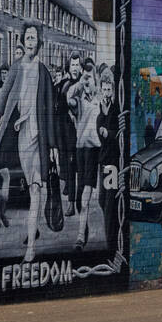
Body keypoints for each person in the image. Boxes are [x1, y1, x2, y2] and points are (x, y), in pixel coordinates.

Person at [0, 22, 58, 261]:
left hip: (39, 137)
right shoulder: (16, 69)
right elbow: (2, 99)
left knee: (36, 188)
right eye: (27, 37)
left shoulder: (44, 72)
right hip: (20, 137)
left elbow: (50, 111)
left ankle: (30, 248)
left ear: (39, 43)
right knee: (29, 184)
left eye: (34, 38)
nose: (30, 41)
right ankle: (32, 228)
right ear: (23, 41)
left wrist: (53, 145)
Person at [70, 58, 101, 249]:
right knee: (81, 193)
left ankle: (80, 236)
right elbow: (68, 98)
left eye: (89, 77)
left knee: (86, 193)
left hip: (93, 149)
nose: (87, 80)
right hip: (79, 148)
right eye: (85, 77)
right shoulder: (79, 99)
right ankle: (84, 224)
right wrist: (79, 83)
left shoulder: (100, 99)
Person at [96, 64, 121, 251]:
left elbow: (116, 134)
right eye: (104, 89)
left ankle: (110, 243)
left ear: (113, 89)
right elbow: (101, 133)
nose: (106, 92)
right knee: (101, 200)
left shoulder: (115, 110)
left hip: (112, 164)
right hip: (103, 162)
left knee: (109, 203)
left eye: (109, 89)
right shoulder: (102, 111)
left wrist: (108, 132)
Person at [55, 52, 83, 217]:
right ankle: (71, 204)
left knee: (83, 172)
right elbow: (57, 111)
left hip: (82, 135)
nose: (75, 68)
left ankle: (78, 201)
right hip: (67, 136)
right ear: (69, 67)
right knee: (70, 170)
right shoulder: (63, 85)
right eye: (72, 65)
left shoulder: (84, 84)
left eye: (77, 65)